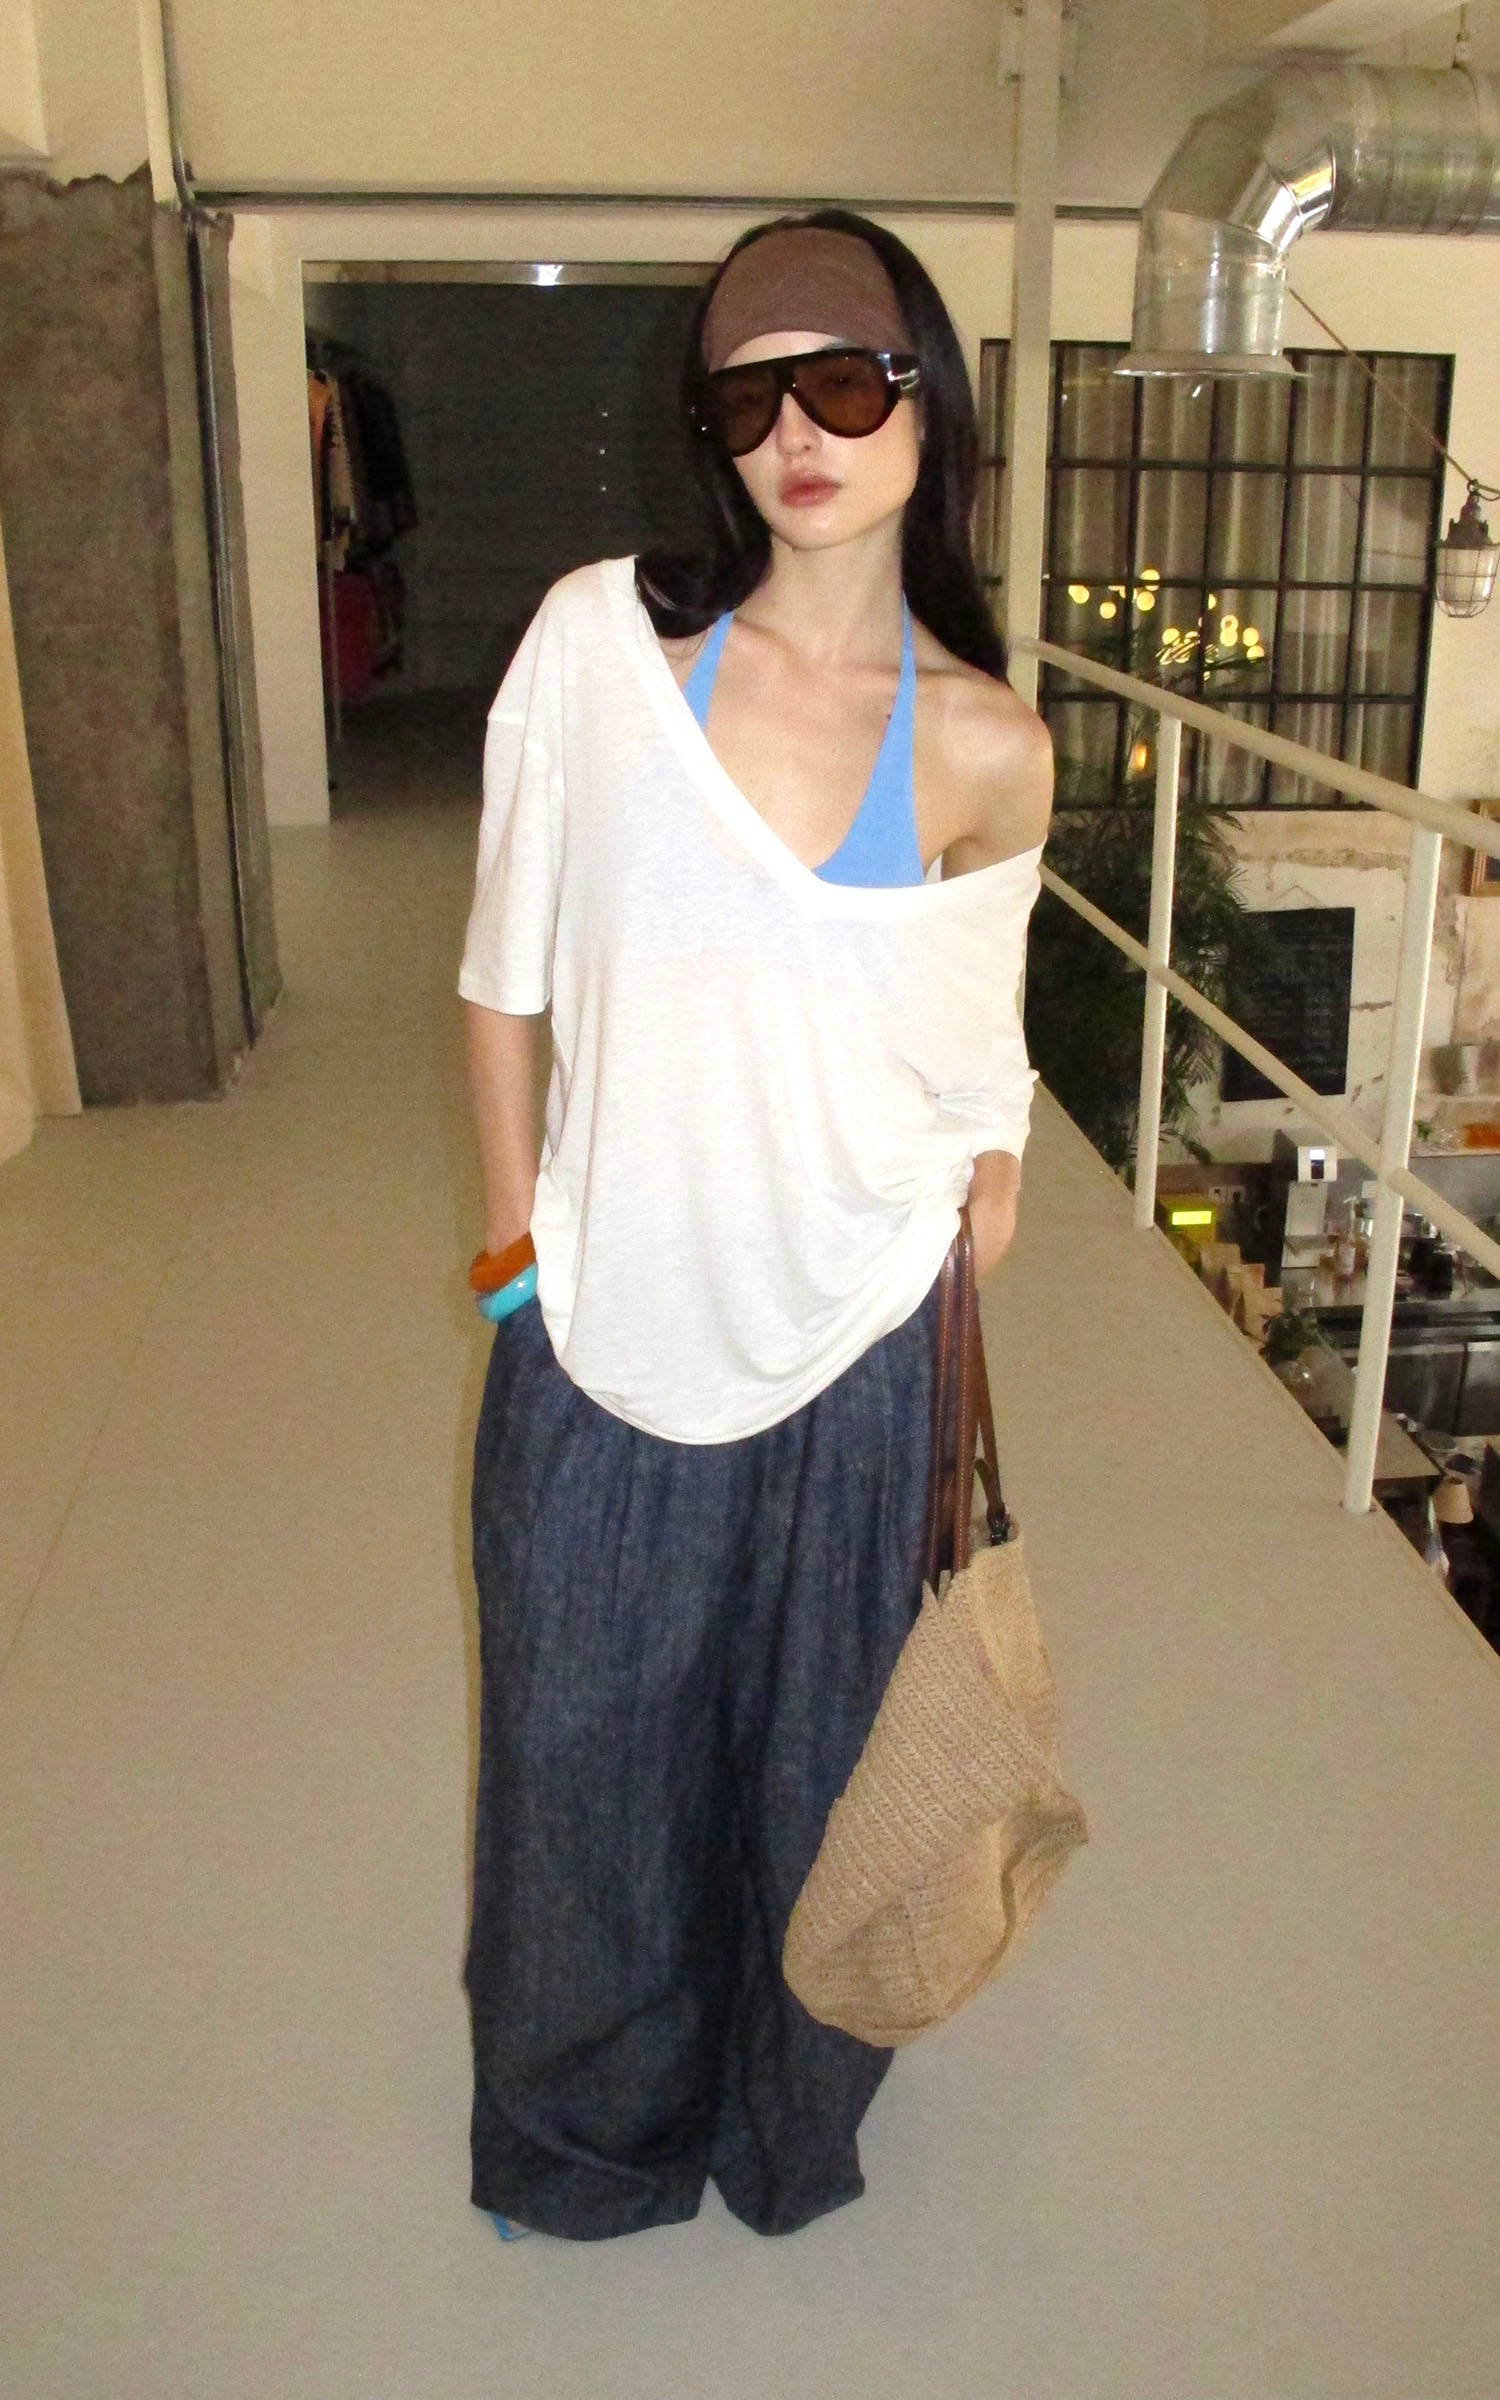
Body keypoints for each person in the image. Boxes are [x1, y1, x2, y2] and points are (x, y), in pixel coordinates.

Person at [457, 206, 1053, 2244]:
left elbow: (981, 1053)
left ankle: (787, 2122)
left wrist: (979, 1212)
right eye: (748, 398)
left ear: (926, 405)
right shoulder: (598, 653)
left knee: (821, 1771)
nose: (797, 431)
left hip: (863, 1339)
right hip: (607, 1324)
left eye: (845, 382)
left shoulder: (988, 740)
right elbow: (500, 985)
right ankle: (583, 2143)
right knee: (583, 1765)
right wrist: (515, 1267)